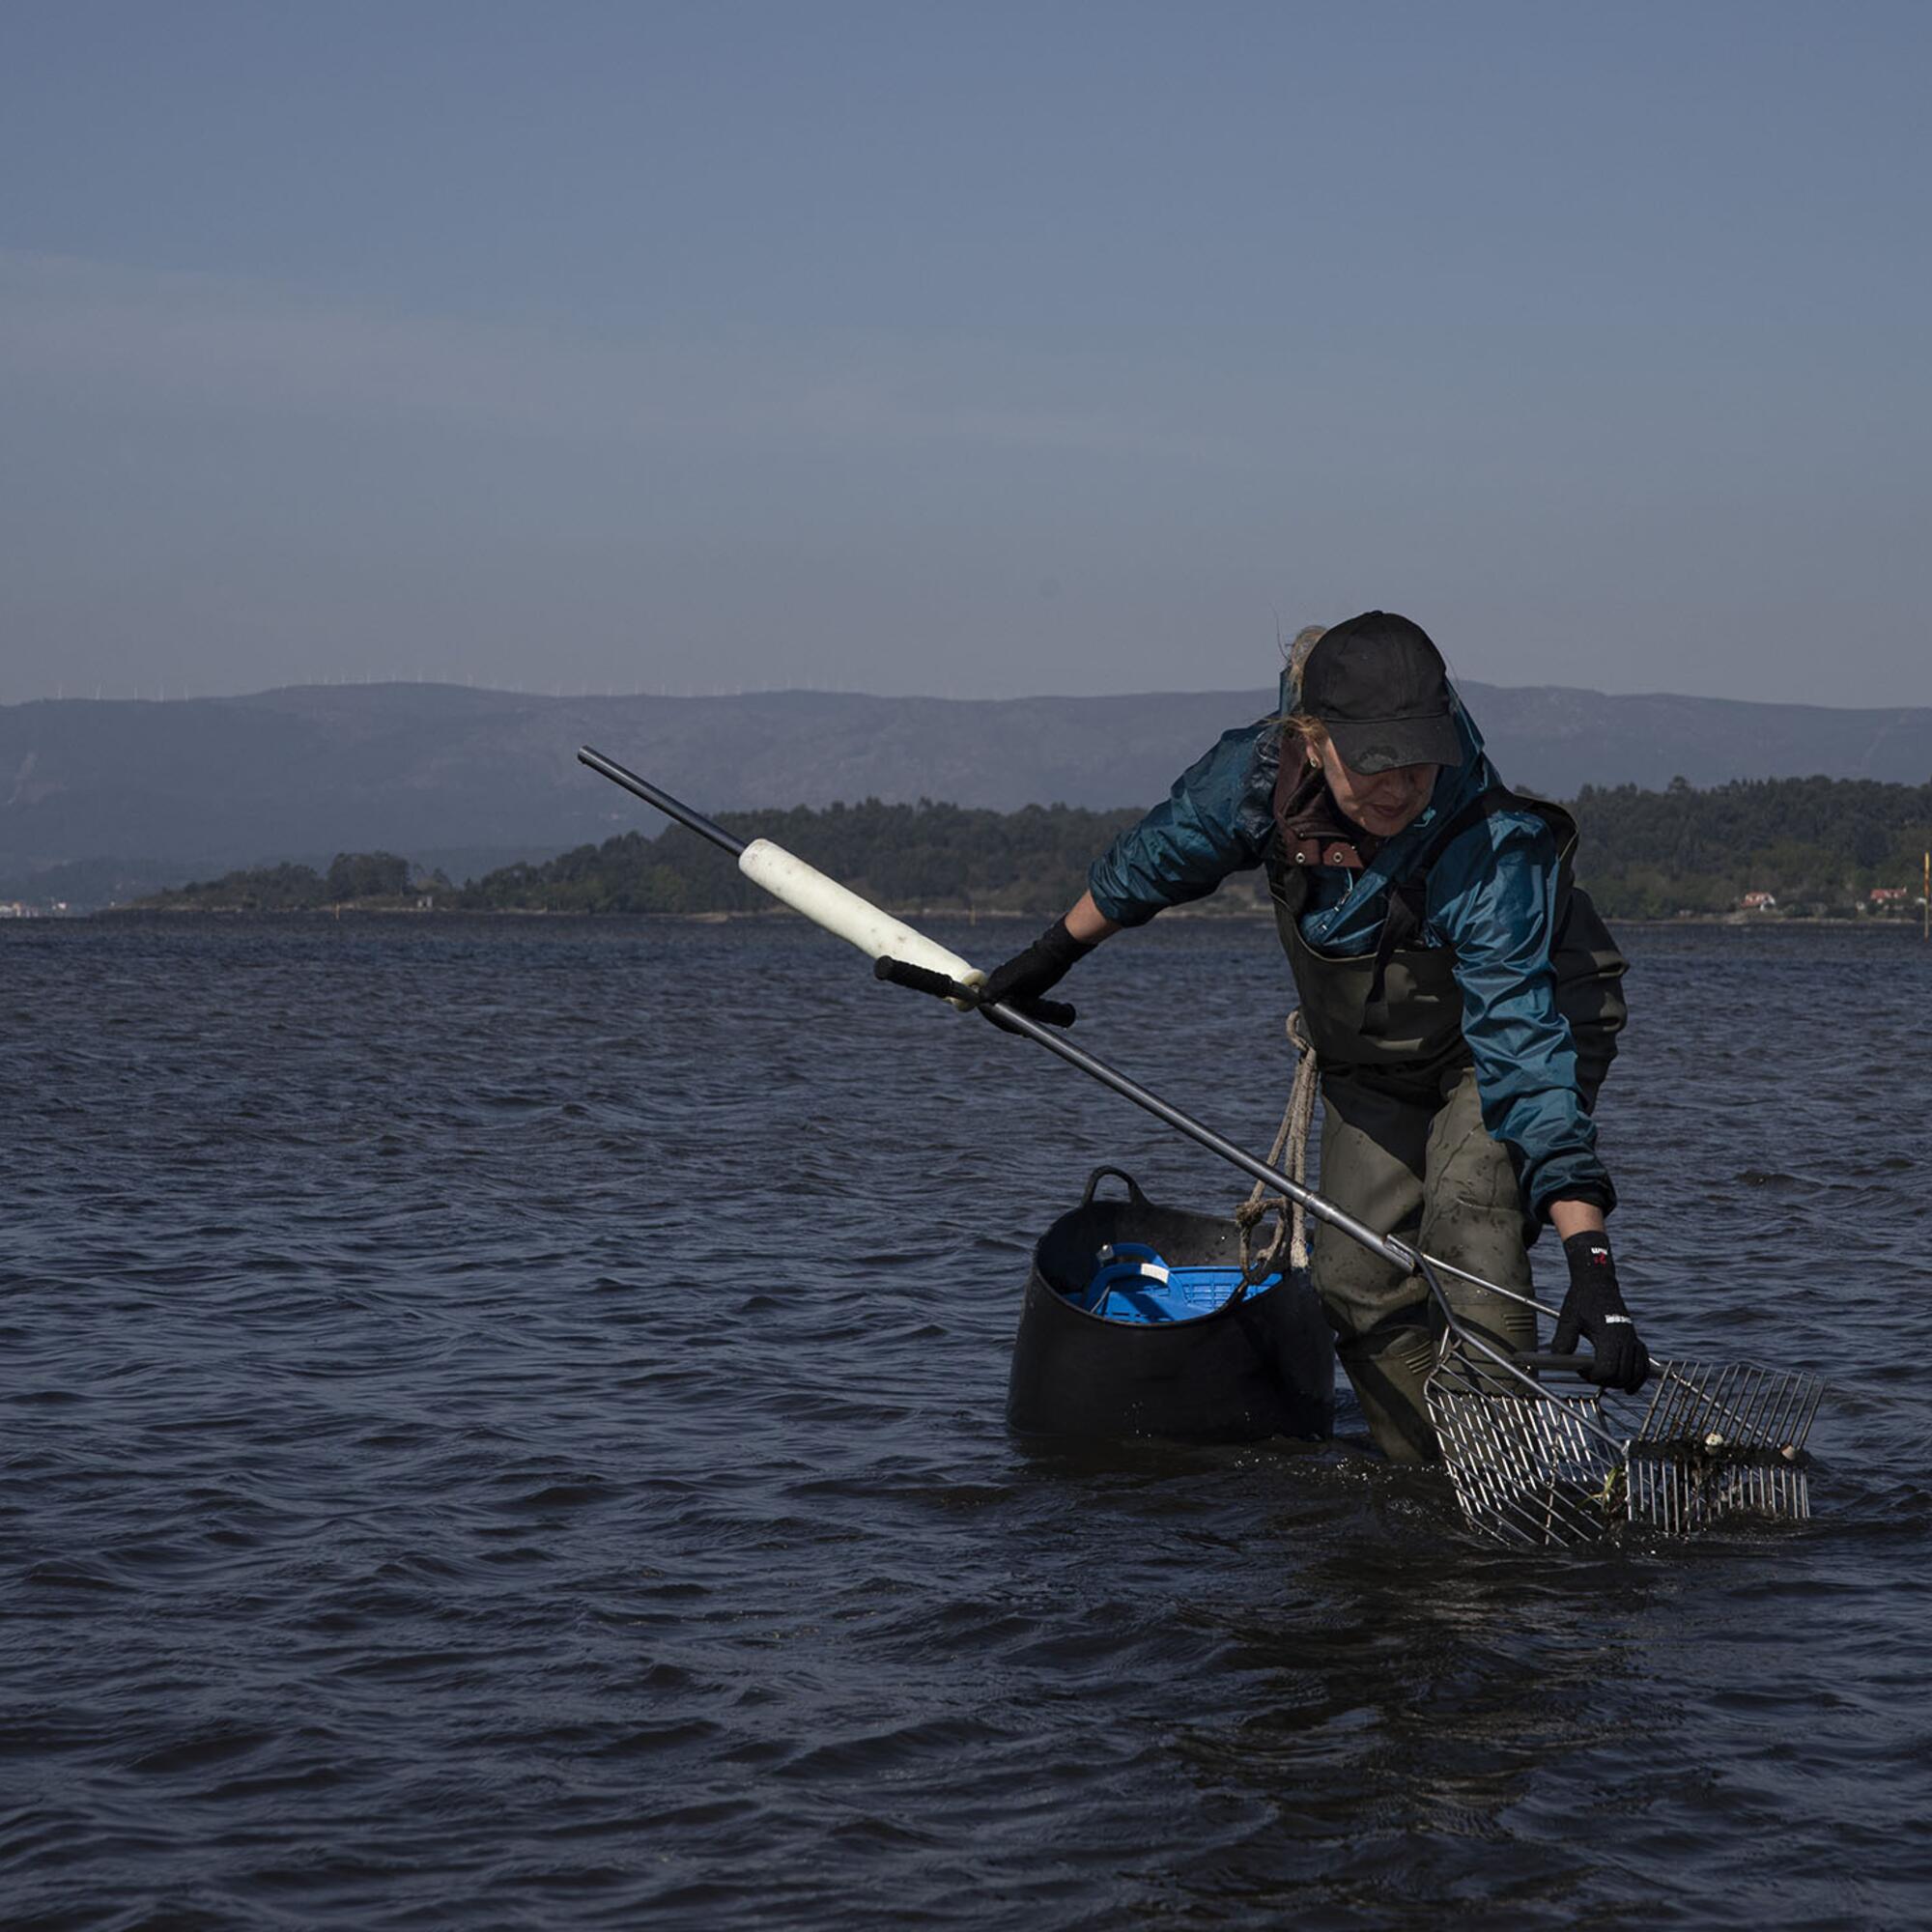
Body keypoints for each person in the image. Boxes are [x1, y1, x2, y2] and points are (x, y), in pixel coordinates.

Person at [981, 611, 1646, 1462]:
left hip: (1518, 1031)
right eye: (1372, 761)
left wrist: (1591, 1264)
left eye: (1417, 757)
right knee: (1353, 1277)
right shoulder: (1256, 778)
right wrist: (1047, 957)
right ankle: (1430, 1475)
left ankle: (1508, 1480)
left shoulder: (1489, 846)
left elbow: (1523, 1053)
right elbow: (1156, 858)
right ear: (1311, 737)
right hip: (1374, 1053)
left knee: (1471, 1218)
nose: (1400, 786)